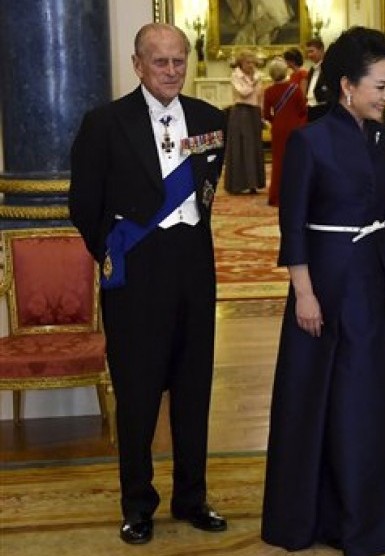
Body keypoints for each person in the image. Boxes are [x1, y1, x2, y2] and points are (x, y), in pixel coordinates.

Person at [261, 26, 385, 555]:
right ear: (346, 87)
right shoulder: (309, 141)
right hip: (325, 282)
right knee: (324, 398)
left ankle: (378, 510)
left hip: (373, 280)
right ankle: (322, 514)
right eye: (380, 86)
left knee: (373, 396)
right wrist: (304, 293)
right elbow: (293, 225)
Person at [69, 23, 228, 545]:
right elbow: (83, 203)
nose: (171, 71)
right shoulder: (105, 123)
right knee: (137, 396)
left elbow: (205, 192)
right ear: (137, 64)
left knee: (193, 388)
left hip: (193, 269)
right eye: (160, 62)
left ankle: (192, 497)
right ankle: (137, 504)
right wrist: (111, 253)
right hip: (136, 273)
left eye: (179, 60)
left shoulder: (210, 120)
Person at [262, 57, 307, 206]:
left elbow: (266, 115)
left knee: (278, 163)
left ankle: (276, 197)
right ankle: (295, 195)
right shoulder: (294, 89)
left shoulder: (268, 91)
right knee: (296, 162)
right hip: (295, 128)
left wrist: (276, 121)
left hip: (278, 129)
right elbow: (303, 109)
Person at [225, 49, 266, 193]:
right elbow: (243, 92)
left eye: (252, 62)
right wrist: (254, 82)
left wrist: (262, 115)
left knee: (253, 146)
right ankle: (238, 184)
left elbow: (260, 96)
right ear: (241, 63)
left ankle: (253, 183)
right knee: (241, 146)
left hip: (254, 112)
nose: (251, 65)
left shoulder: (258, 76)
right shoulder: (235, 75)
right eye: (248, 62)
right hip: (241, 112)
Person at [305, 37, 329, 121]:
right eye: (308, 52)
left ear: (321, 50)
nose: (309, 55)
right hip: (312, 110)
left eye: (312, 51)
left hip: (324, 110)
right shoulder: (312, 70)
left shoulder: (329, 67)